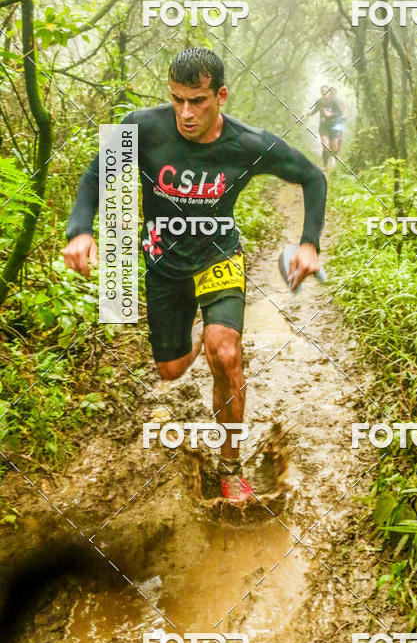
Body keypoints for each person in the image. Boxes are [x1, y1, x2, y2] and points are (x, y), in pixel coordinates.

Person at [62, 48, 327, 502]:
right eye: (177, 99)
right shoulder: (141, 126)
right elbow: (95, 175)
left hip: (218, 256)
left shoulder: (248, 143)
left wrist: (309, 242)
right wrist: (81, 231)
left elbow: (312, 177)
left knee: (225, 354)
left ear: (221, 95)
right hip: (164, 266)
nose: (186, 113)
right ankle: (201, 326)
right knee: (170, 370)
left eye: (198, 100)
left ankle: (231, 466)